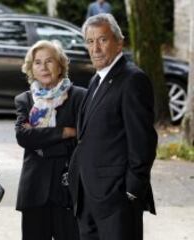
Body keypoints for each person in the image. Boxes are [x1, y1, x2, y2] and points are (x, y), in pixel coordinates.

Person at [68, 13, 157, 240]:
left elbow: (143, 143)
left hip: (116, 202)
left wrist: (131, 193)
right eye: (90, 41)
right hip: (88, 197)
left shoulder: (132, 80)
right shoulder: (97, 79)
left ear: (119, 42)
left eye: (103, 40)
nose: (95, 48)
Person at [15, 40, 85, 240]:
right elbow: (23, 137)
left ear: (61, 65)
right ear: (31, 68)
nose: (43, 67)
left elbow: (84, 137)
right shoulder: (25, 100)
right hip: (34, 189)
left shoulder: (79, 97)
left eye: (49, 61)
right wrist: (66, 132)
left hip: (67, 188)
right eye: (37, 62)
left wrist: (40, 142)